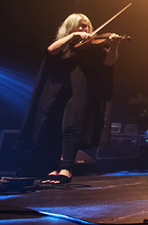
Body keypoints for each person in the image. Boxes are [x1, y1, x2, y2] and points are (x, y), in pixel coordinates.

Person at [14, 13, 123, 184]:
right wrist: (72, 37)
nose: (83, 28)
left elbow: (108, 63)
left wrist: (114, 45)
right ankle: (51, 167)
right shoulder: (64, 44)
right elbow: (50, 50)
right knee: (51, 127)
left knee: (71, 127)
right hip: (56, 90)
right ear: (70, 27)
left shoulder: (92, 48)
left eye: (86, 25)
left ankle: (66, 168)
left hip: (79, 91)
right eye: (79, 25)